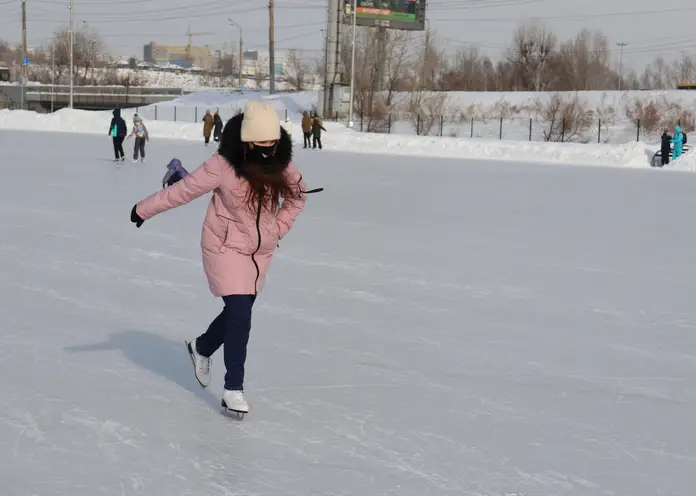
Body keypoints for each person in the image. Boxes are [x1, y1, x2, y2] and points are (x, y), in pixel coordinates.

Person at [129, 102, 307, 415]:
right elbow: (184, 190)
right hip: (224, 247)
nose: (269, 149)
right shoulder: (223, 164)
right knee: (241, 314)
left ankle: (201, 347)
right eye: (262, 143)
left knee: (239, 313)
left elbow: (296, 198)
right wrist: (144, 208)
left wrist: (276, 230)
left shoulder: (281, 163)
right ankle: (233, 389)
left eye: (273, 142)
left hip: (259, 252)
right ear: (248, 140)